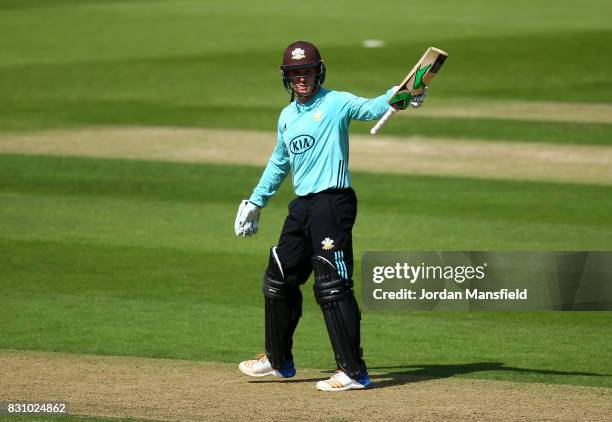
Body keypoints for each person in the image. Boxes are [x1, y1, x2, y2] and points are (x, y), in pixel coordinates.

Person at [234, 41, 426, 392]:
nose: (301, 79)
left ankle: (353, 372)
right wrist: (256, 201)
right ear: (286, 78)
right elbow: (279, 163)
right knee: (277, 280)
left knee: (332, 287)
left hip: (332, 203)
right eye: (295, 73)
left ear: (318, 71)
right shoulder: (287, 116)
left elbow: (371, 108)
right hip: (301, 207)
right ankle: (278, 361)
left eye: (306, 71)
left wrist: (401, 95)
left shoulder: (335, 102)